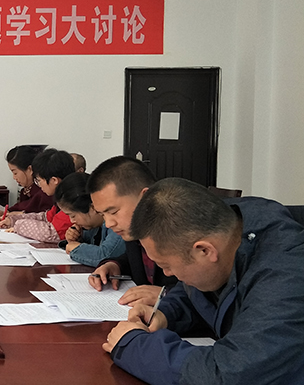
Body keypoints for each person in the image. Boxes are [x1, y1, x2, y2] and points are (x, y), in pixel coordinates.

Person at [104, 178, 304, 385]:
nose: (167, 274)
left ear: (205, 250)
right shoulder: (227, 228)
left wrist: (135, 346)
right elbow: (198, 290)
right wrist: (167, 314)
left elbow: (230, 374)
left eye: (166, 265)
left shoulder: (286, 276)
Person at [87, 156, 177, 306]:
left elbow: (208, 292)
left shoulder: (181, 233)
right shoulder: (134, 232)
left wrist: (167, 294)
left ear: (145, 198)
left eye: (114, 212)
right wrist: (115, 265)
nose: (108, 224)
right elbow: (135, 260)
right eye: (102, 215)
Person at [0, 148, 74, 243]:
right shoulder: (60, 199)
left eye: (39, 180)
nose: (39, 185)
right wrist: (12, 220)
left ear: (54, 180)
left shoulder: (71, 201)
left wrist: (18, 225)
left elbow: (51, 233)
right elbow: (45, 217)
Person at [54, 172, 125, 266]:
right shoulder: (92, 227)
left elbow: (106, 256)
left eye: (73, 216)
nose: (72, 221)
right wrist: (77, 239)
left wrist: (76, 248)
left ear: (93, 207)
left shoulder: (116, 223)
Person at [0, 145, 53, 218]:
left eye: (15, 173)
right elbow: (19, 209)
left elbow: (43, 217)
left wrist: (17, 214)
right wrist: (4, 213)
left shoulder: (45, 191)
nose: (14, 177)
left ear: (30, 169)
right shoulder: (26, 191)